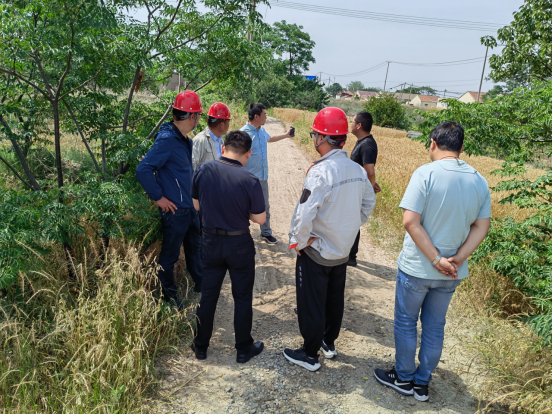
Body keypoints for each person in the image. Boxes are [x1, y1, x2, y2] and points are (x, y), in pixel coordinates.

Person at [374, 122, 491, 402]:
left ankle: (404, 378)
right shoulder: (479, 180)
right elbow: (481, 227)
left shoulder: (425, 173)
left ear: (432, 143)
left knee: (406, 323)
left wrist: (436, 259)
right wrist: (456, 259)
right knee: (435, 326)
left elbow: (410, 222)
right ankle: (422, 384)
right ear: (462, 148)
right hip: (451, 272)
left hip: (417, 267)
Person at [283, 107, 376, 372]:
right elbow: (369, 203)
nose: (313, 138)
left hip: (318, 252)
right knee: (334, 299)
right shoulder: (356, 170)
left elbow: (304, 214)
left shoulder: (320, 172)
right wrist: (349, 228)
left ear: (322, 138)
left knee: (311, 302)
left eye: (315, 134)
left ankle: (309, 354)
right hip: (341, 251)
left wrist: (300, 242)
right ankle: (328, 342)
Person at [191, 130, 267, 363]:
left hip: (210, 242)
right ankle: (243, 349)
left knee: (208, 295)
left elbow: (196, 205)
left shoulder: (203, 170)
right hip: (239, 244)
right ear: (248, 154)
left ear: (223, 148)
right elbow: (260, 219)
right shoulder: (250, 180)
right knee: (242, 297)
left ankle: (200, 346)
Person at [136, 90, 204, 308]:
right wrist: (159, 198)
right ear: (192, 116)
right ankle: (169, 299)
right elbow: (143, 169)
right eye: (198, 115)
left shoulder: (185, 141)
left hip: (189, 209)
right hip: (175, 212)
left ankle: (201, 284)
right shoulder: (167, 140)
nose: (199, 119)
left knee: (195, 249)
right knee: (169, 257)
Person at [240, 103, 293, 245]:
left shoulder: (261, 130)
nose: (266, 117)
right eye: (264, 114)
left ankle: (266, 232)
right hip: (248, 180)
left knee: (264, 207)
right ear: (256, 116)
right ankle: (241, 233)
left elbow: (270, 138)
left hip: (262, 178)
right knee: (243, 207)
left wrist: (286, 135)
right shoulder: (243, 134)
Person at [347, 111, 381, 267]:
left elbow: (370, 171)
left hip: (358, 191)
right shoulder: (363, 142)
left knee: (353, 220)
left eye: (352, 121)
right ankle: (350, 254)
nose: (350, 123)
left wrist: (369, 188)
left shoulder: (366, 144)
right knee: (352, 219)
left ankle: (351, 256)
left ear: (359, 125)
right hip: (358, 187)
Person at [192, 102, 231, 169]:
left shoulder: (221, 141)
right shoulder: (199, 141)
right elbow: (192, 167)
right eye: (228, 122)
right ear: (221, 125)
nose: (229, 125)